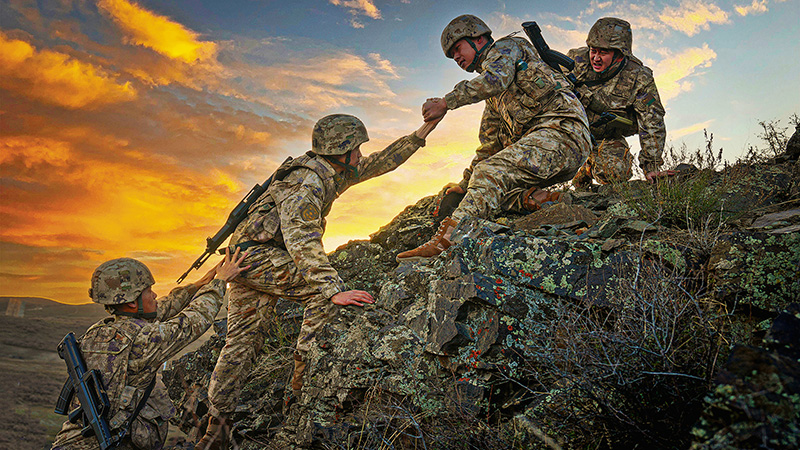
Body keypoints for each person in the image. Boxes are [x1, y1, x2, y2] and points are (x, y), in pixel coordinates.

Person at [194, 113, 442, 450]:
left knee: (240, 344)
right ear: (342, 151)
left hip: (245, 260)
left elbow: (383, 162)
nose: (361, 155)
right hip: (260, 257)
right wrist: (332, 290)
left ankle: (216, 429)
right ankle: (299, 399)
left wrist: (423, 130)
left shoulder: (331, 170)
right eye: (356, 149)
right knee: (325, 296)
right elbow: (301, 239)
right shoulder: (307, 181)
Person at [395, 14, 591, 262]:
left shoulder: (508, 48)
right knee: (489, 192)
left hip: (564, 135)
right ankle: (541, 200)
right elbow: (489, 147)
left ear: (478, 38)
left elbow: (494, 79)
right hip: (547, 151)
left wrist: (447, 102)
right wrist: (464, 186)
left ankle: (447, 241)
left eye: (457, 48)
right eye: (451, 54)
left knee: (491, 173)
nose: (456, 57)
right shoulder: (494, 99)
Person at [51, 249, 249, 450]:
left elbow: (163, 307)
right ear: (130, 301)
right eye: (148, 291)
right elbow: (194, 320)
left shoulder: (98, 332)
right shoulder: (143, 340)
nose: (154, 295)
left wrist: (199, 284)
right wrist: (219, 282)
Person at [567, 17, 672, 187]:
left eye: (604, 52)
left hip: (605, 137)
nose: (596, 58)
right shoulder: (575, 60)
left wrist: (651, 166)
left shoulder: (639, 77)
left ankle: (589, 165)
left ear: (620, 54)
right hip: (570, 130)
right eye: (593, 50)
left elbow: (652, 120)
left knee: (615, 173)